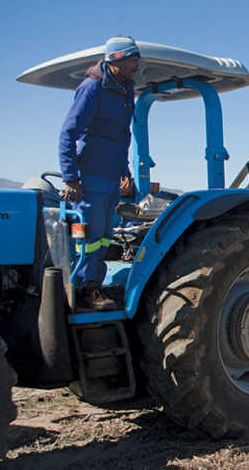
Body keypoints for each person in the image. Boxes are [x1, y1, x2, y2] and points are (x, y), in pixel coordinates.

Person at [59, 36, 140, 310]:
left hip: (110, 177)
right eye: (133, 60)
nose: (136, 67)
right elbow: (68, 133)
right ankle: (84, 289)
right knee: (89, 235)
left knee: (105, 235)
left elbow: (121, 136)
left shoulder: (125, 89)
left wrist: (124, 171)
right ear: (115, 60)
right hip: (90, 177)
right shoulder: (92, 88)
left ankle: (94, 286)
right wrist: (70, 177)